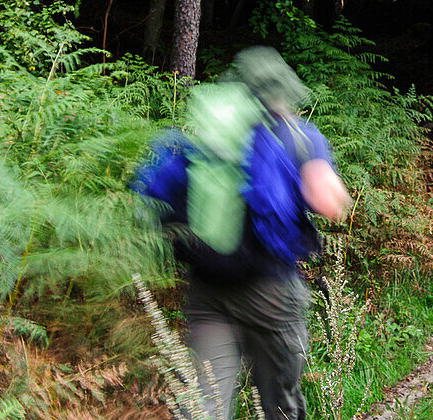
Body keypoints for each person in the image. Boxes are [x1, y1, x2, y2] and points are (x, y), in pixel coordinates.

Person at [136, 47, 350, 420]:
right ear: (284, 89)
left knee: (207, 404)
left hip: (207, 289)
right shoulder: (301, 137)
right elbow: (330, 205)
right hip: (271, 293)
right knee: (281, 403)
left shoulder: (212, 130)